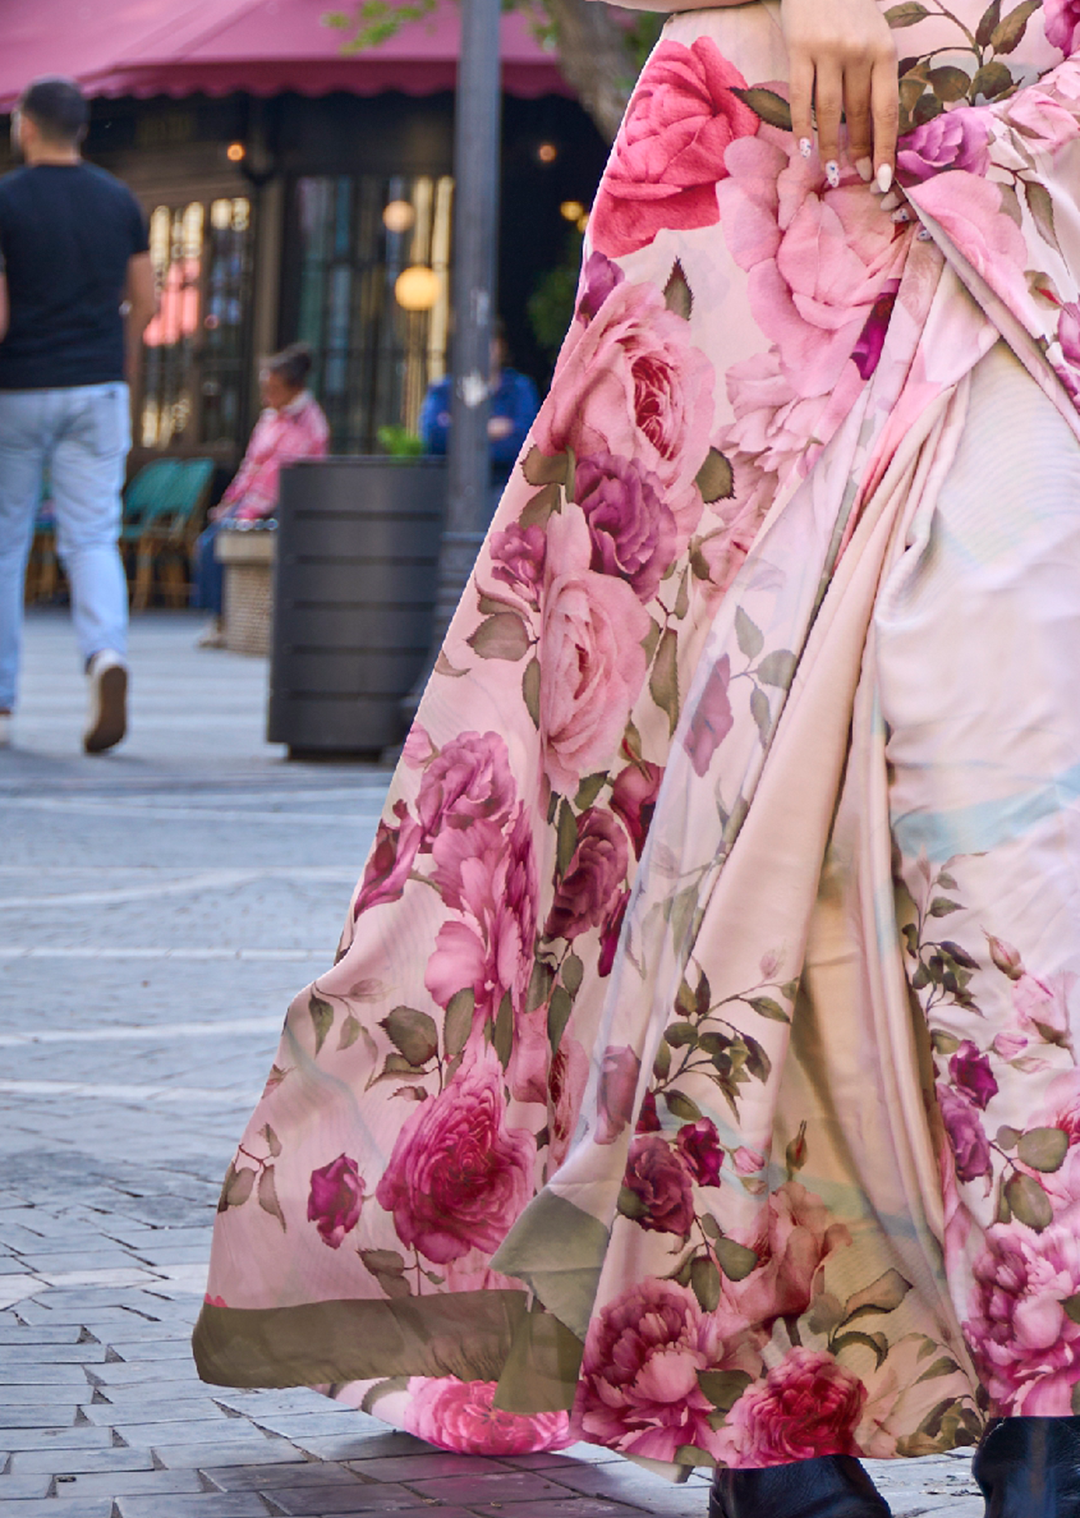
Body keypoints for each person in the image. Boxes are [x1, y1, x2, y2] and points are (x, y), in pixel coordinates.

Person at [194, 0, 1080, 1512]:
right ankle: (773, 1386)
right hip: (812, 126)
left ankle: (1044, 1381)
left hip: (1036, 163)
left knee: (984, 783)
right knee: (720, 775)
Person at [0, 76, 156, 754]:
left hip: (19, 387)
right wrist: (118, 363)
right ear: (82, 130)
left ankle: (1, 698)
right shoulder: (118, 200)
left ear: (28, 127)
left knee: (5, 543)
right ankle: (105, 656)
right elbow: (145, 299)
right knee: (92, 536)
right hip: (98, 387)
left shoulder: (6, 200)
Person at [192, 344, 328, 649]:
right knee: (207, 544)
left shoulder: (308, 422)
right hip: (252, 503)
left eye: (273, 388)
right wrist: (229, 502)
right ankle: (219, 617)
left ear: (293, 387)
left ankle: (230, 620)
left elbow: (280, 479)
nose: (267, 394)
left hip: (284, 506)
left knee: (218, 541)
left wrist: (245, 513)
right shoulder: (270, 418)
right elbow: (250, 466)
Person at [419, 323, 539, 522]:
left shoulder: (520, 389)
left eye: (490, 342)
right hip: (449, 487)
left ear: (502, 347)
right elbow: (434, 439)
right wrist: (490, 429)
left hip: (504, 486)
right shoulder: (441, 391)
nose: (482, 348)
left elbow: (523, 445)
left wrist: (459, 428)